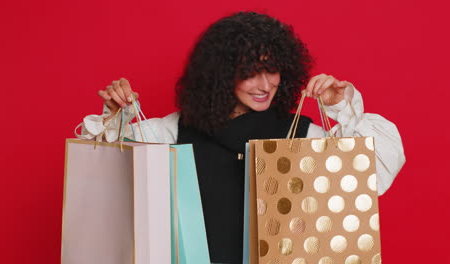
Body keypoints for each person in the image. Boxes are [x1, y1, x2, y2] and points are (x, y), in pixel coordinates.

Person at [77, 11, 405, 264]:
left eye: (272, 69)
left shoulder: (302, 135)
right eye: (249, 72)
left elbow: (368, 175)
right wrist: (115, 114)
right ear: (221, 75)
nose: (264, 84)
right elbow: (109, 179)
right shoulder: (171, 132)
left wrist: (340, 107)